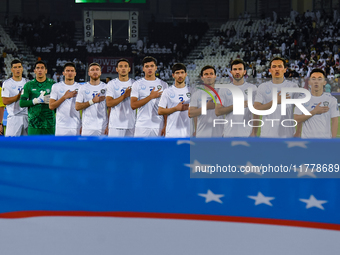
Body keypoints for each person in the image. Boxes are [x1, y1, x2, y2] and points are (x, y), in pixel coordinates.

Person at [253, 57, 300, 138]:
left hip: (288, 135)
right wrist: (275, 102)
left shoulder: (293, 86)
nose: (277, 69)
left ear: (285, 69)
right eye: (274, 67)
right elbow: (256, 108)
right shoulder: (263, 87)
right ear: (270, 70)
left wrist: (298, 132)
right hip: (267, 135)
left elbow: (300, 111)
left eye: (280, 66)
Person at [215, 59, 259, 137]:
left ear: (244, 72)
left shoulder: (253, 88)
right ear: (231, 72)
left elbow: (256, 113)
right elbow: (218, 112)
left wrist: (254, 132)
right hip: (228, 134)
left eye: (240, 69)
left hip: (247, 134)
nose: (237, 72)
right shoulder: (224, 89)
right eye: (235, 69)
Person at [294, 69, 339, 138]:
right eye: (313, 79)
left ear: (324, 82)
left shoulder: (331, 100)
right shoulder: (301, 99)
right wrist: (314, 111)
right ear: (309, 82)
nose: (316, 82)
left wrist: (333, 140)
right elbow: (296, 119)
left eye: (319, 79)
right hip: (307, 142)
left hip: (325, 141)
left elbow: (335, 121)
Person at [130, 56, 168, 137]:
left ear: (156, 68)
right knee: (140, 149)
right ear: (143, 69)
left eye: (152, 66)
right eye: (147, 66)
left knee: (157, 149)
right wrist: (150, 97)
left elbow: (166, 108)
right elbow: (133, 105)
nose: (149, 69)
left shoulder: (164, 85)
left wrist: (166, 125)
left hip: (158, 126)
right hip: (142, 125)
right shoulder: (137, 84)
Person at [19, 61, 55, 135]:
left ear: (46, 71)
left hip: (49, 123)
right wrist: (35, 101)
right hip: (34, 124)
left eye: (42, 68)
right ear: (34, 71)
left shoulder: (53, 84)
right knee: (33, 146)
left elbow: (58, 103)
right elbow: (22, 103)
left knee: (49, 146)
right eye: (37, 68)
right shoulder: (28, 85)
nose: (40, 70)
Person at [189, 65, 224, 137]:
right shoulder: (197, 94)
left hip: (219, 135)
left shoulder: (222, 93)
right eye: (206, 74)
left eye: (211, 74)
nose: (209, 76)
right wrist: (206, 107)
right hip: (202, 135)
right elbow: (191, 114)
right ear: (202, 78)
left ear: (215, 76)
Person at [75, 62, 108, 136]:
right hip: (87, 128)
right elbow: (77, 107)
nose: (95, 71)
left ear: (100, 72)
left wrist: (108, 126)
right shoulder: (83, 88)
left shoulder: (106, 87)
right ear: (89, 73)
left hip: (103, 127)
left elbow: (111, 108)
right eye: (92, 70)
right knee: (87, 148)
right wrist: (92, 101)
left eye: (97, 69)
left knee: (103, 148)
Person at [158, 63, 190, 137]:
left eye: (182, 72)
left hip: (188, 133)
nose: (180, 75)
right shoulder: (167, 91)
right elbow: (160, 111)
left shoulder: (191, 91)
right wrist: (176, 108)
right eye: (177, 73)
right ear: (173, 75)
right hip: (172, 133)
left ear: (185, 74)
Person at [49, 62, 81, 136]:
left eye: (72, 71)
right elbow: (51, 106)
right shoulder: (56, 86)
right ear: (63, 73)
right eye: (67, 71)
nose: (70, 73)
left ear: (75, 73)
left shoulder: (81, 88)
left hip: (76, 126)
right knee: (60, 147)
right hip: (61, 126)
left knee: (75, 147)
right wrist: (64, 97)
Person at [106, 59, 135, 137]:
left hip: (131, 124)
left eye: (125, 66)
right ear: (117, 69)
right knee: (114, 149)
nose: (123, 68)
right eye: (120, 66)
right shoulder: (111, 84)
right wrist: (124, 96)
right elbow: (109, 103)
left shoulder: (135, 84)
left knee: (129, 149)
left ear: (129, 69)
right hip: (115, 125)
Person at [1, 59, 28, 136]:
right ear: (11, 69)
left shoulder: (27, 82)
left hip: (27, 117)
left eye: (19, 67)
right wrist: (19, 96)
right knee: (11, 145)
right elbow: (5, 101)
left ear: (22, 68)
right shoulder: (7, 83)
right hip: (14, 118)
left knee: (27, 145)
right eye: (15, 67)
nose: (17, 69)